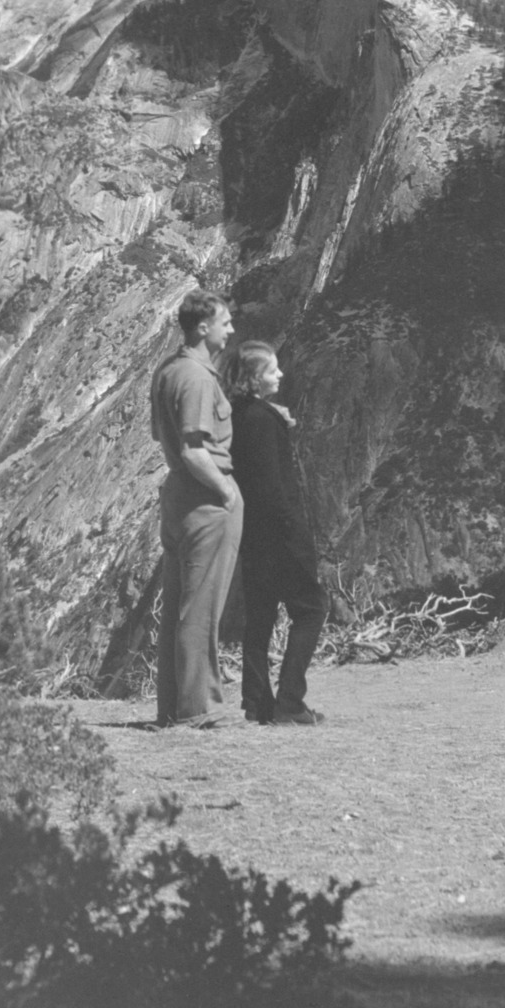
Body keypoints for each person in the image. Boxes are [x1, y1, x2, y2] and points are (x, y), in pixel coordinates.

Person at [149, 289, 243, 728]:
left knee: (177, 606)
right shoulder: (199, 378)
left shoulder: (167, 371)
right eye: (225, 322)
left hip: (177, 499)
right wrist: (226, 491)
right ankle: (198, 709)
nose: (232, 330)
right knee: (202, 605)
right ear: (203, 327)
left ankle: (172, 705)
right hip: (205, 499)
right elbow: (193, 448)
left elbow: (163, 440)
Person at [223, 339, 327, 727]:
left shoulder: (239, 414)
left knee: (261, 615)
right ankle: (290, 700)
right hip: (278, 535)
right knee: (312, 608)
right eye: (272, 370)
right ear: (254, 378)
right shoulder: (263, 419)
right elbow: (272, 486)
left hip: (252, 534)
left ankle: (256, 701)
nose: (280, 374)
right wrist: (294, 531)